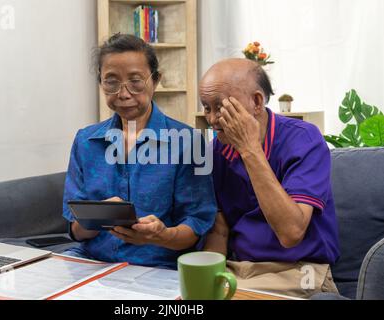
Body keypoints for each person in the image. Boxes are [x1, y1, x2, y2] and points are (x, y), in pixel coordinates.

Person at [62, 34, 217, 269]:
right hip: (91, 263)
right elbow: (75, 230)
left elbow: (196, 226)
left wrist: (161, 235)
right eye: (111, 82)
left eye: (136, 81)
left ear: (155, 81)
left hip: (155, 267)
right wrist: (96, 218)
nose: (124, 94)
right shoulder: (86, 141)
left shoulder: (188, 142)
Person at [200, 58, 340, 298]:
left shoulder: (304, 140)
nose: (212, 119)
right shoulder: (216, 152)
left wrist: (249, 149)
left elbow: (291, 232)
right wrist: (207, 276)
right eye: (206, 107)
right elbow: (219, 231)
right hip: (241, 270)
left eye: (220, 107)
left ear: (256, 101)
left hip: (299, 271)